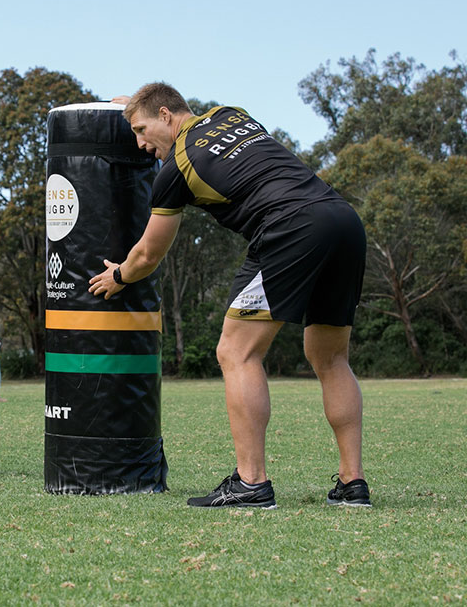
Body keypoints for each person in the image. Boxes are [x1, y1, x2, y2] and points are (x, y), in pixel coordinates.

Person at [89, 83, 370, 509]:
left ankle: (251, 483)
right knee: (330, 358)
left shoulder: (175, 171)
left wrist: (120, 277)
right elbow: (179, 110)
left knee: (236, 352)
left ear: (166, 116)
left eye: (142, 130)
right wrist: (135, 105)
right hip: (342, 220)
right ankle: (353, 484)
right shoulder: (230, 114)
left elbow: (148, 254)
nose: (141, 144)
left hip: (289, 227)